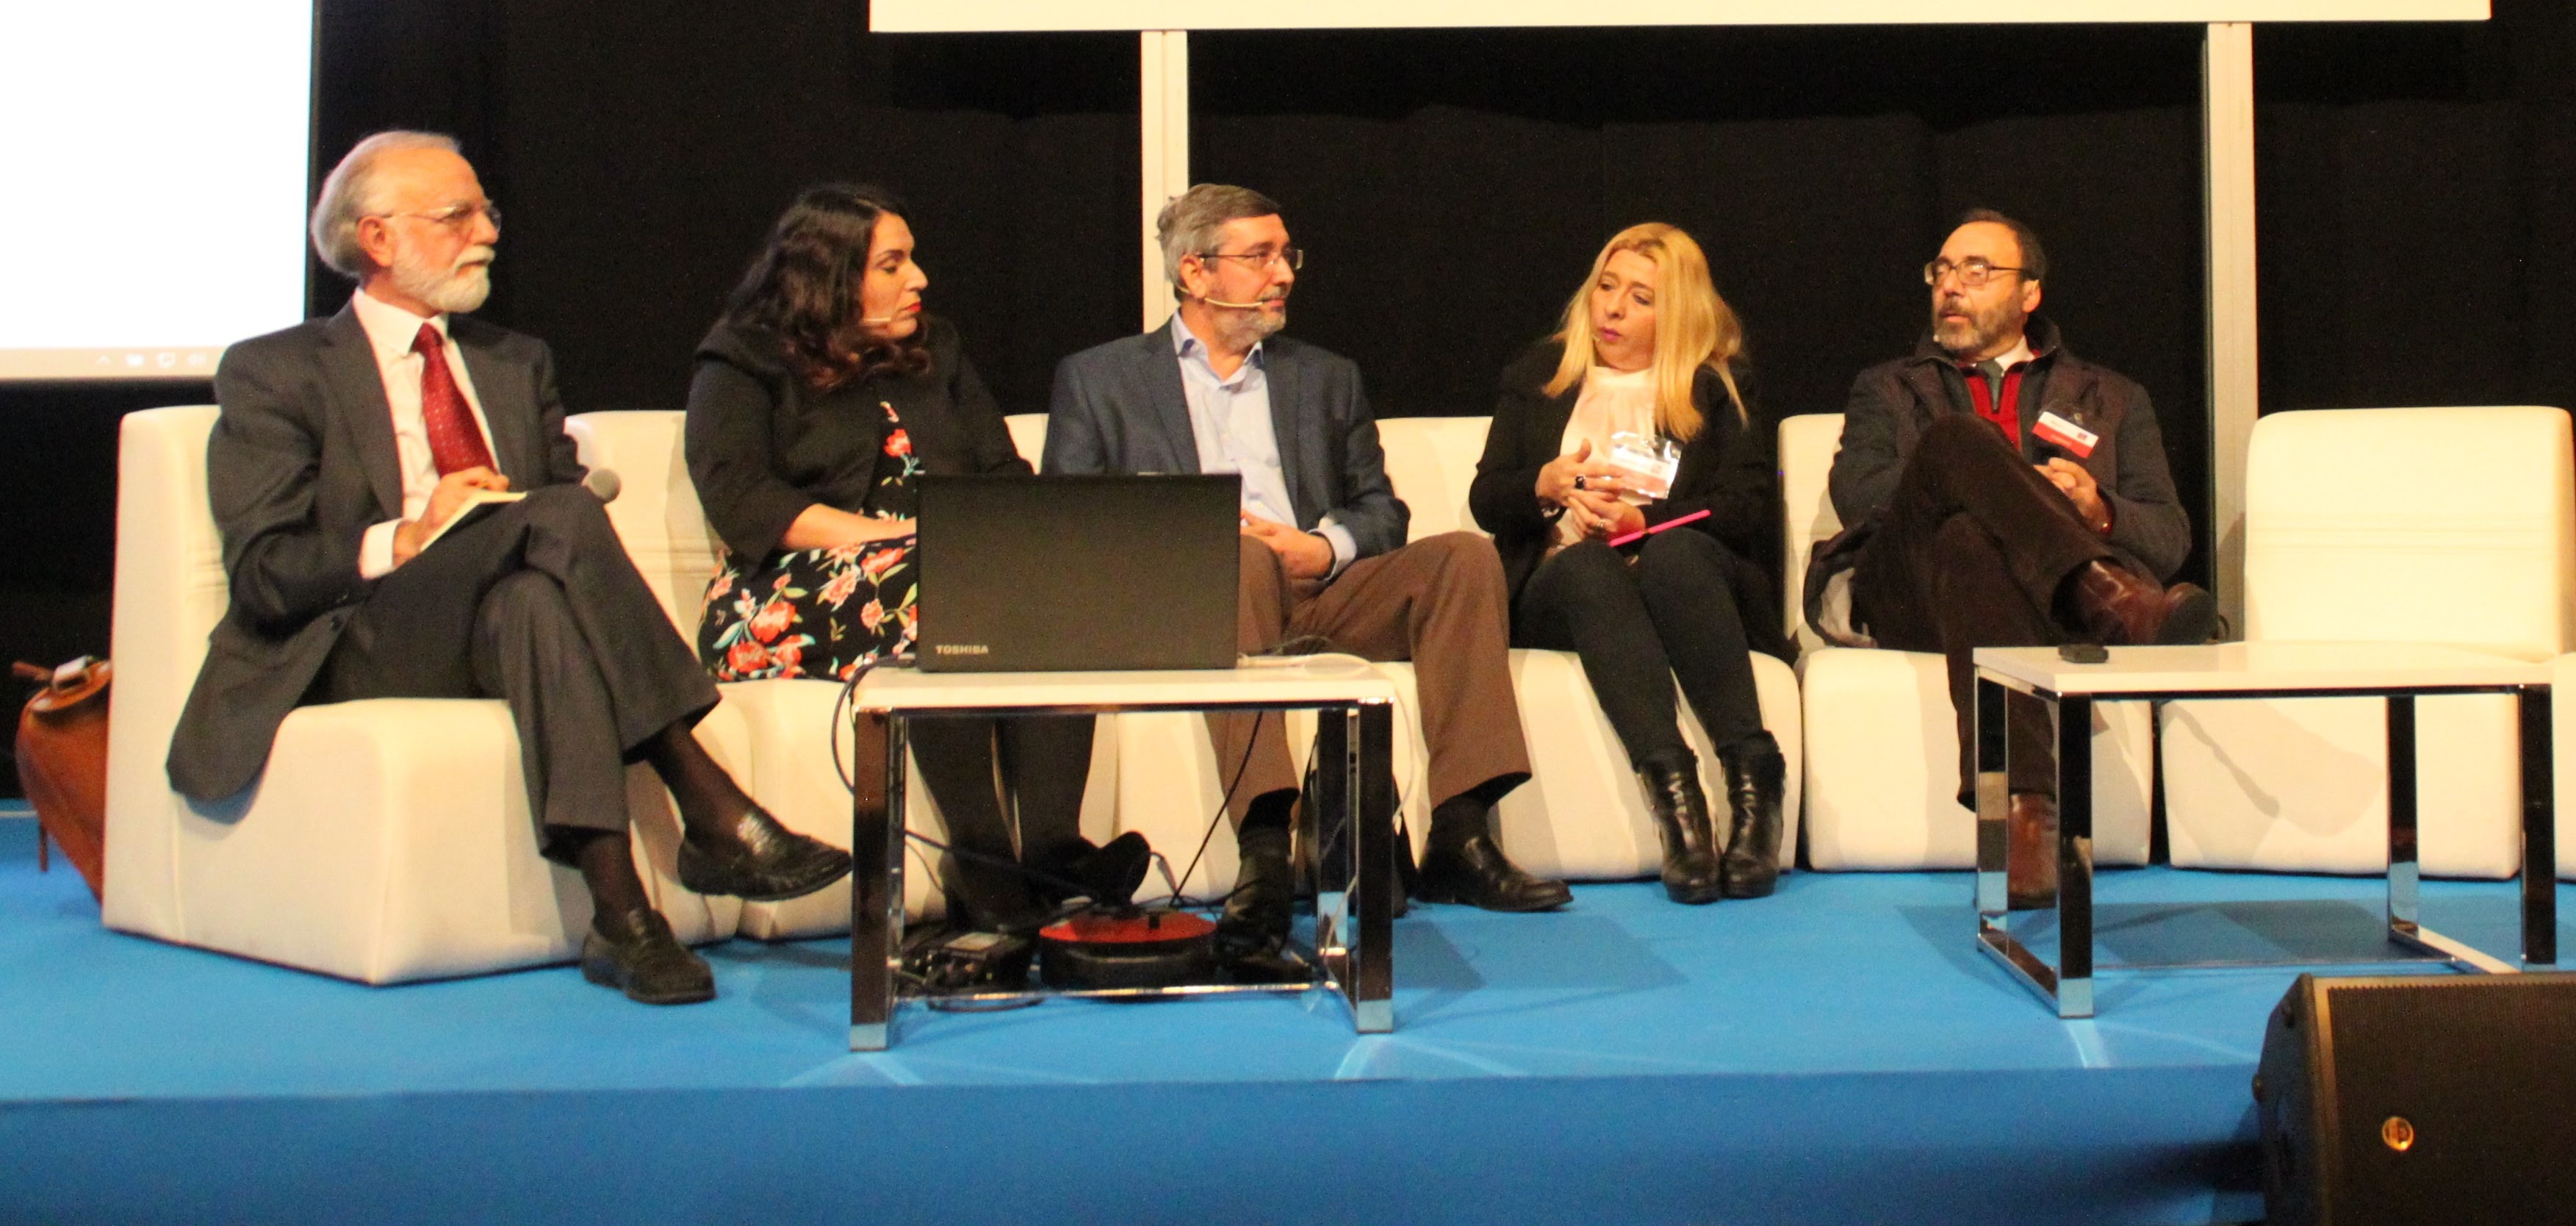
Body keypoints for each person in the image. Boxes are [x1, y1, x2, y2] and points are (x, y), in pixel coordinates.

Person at [166, 132, 850, 1006]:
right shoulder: (276, 370)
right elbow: (266, 573)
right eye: (457, 216)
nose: (487, 232)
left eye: (487, 212)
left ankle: (621, 918)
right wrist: (407, 535)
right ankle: (706, 796)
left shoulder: (514, 361)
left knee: (535, 600)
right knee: (558, 516)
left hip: (492, 625)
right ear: (377, 238)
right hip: (358, 636)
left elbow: (557, 527)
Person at [1046, 184, 1569, 964]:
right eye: (1260, 256)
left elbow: (1381, 511)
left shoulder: (1325, 377)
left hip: (1319, 593)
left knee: (1463, 556)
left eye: (1287, 254)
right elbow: (1069, 523)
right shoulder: (1100, 379)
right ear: (1195, 271)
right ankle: (1264, 851)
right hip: (1197, 599)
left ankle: (1461, 834)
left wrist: (1321, 549)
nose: (1284, 273)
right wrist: (1196, 544)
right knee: (1241, 558)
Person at [685, 184, 1148, 943]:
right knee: (940, 582)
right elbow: (742, 499)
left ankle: (1055, 852)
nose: (919, 278)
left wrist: (1030, 544)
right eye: (893, 264)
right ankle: (980, 859)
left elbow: (1000, 472)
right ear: (831, 276)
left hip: (941, 566)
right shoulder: (745, 356)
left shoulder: (936, 350)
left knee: (1040, 579)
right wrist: (892, 540)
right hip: (786, 593)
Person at [1813, 208, 2215, 897]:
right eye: (1942, 270)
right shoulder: (1887, 386)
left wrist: (2097, 508)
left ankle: (2026, 820)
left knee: (1971, 544)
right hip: (1912, 589)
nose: (1951, 285)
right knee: (1956, 442)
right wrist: (1998, 486)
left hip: (2035, 600)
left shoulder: (2112, 397)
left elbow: (2169, 533)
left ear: (2030, 292)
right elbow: (1860, 493)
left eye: (1977, 270)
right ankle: (2111, 598)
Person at [1469, 224, 1789, 904]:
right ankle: (1679, 809)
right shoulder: (1541, 373)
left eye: (1640, 298)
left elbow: (1745, 504)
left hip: (1683, 578)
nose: (1612, 309)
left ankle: (1755, 790)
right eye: (1606, 288)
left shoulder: (1715, 384)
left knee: (1674, 552)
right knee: (1589, 566)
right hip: (1565, 585)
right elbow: (1487, 497)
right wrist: (1545, 486)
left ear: (1679, 314)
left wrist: (1646, 523)